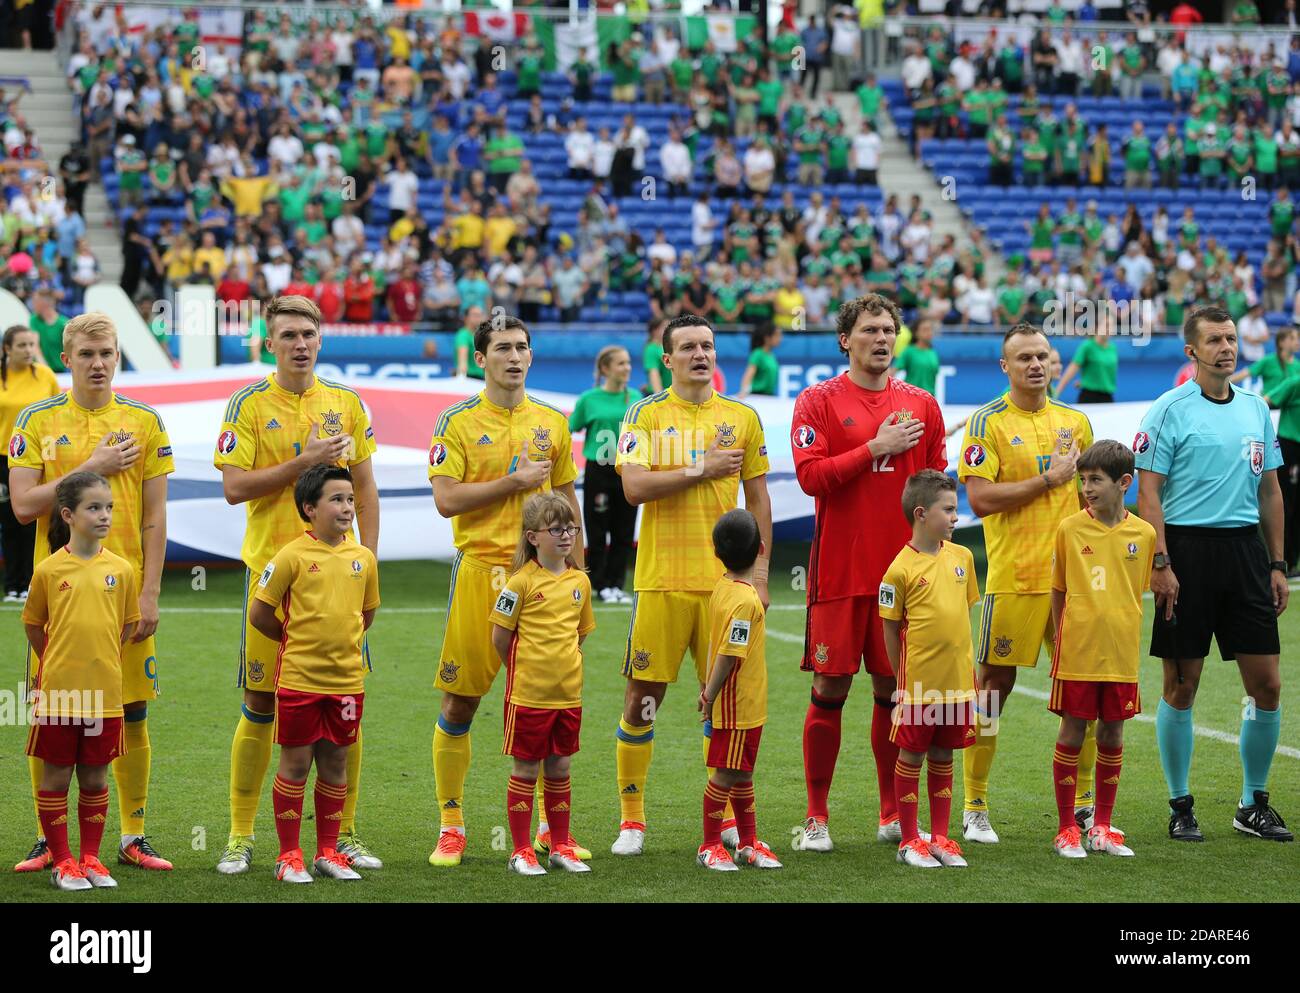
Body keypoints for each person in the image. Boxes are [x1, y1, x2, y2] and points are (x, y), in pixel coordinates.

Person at [213, 295, 380, 875]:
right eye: (288, 335)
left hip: (341, 581)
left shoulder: (346, 403)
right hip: (272, 579)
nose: (300, 344)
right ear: (269, 342)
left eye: (308, 333)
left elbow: (365, 487)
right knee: (261, 703)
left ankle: (344, 836)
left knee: (345, 705)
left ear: (320, 339)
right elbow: (234, 488)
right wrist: (302, 463)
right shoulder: (249, 405)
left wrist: (369, 563)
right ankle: (239, 836)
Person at [9, 314, 174, 875]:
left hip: (122, 598)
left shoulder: (145, 422)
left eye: (107, 352)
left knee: (130, 712)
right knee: (53, 714)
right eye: (87, 354)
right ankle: (46, 840)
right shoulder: (36, 419)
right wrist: (94, 465)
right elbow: (24, 505)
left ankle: (134, 833)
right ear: (66, 359)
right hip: (59, 599)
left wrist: (149, 592)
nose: (98, 363)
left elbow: (155, 516)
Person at [611, 314, 771, 857]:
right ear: (667, 359)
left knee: (726, 703)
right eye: (688, 347)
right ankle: (633, 819)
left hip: (726, 589)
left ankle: (724, 816)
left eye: (707, 345)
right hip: (662, 582)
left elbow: (759, 498)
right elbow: (633, 487)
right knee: (643, 698)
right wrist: (698, 470)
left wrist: (763, 574)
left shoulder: (743, 417)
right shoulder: (645, 414)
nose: (700, 354)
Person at [791, 294, 947, 853]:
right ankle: (816, 816)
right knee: (830, 686)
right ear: (845, 339)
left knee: (893, 689)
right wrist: (873, 448)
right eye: (870, 330)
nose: (881, 339)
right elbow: (811, 478)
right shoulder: (818, 401)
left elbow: (934, 487)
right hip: (839, 570)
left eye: (889, 330)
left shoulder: (923, 405)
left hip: (903, 577)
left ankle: (889, 812)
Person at [427, 315, 585, 867]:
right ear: (481, 359)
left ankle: (549, 829)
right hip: (483, 575)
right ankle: (452, 825)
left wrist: (579, 575)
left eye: (522, 348)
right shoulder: (457, 422)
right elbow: (446, 501)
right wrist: (512, 483)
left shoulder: (552, 421)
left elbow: (566, 497)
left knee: (548, 703)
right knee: (461, 701)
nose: (514, 357)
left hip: (546, 581)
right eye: (502, 348)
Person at [1136, 306, 1293, 842]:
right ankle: (1181, 804)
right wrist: (1160, 561)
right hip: (1185, 551)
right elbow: (1149, 493)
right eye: (1215, 340)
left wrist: (1276, 563)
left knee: (1267, 684)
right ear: (1192, 352)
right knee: (1183, 685)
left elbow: (1270, 489)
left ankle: (1253, 803)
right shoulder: (1166, 410)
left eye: (1231, 338)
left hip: (1245, 553)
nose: (1227, 347)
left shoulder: (1255, 406)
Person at [958, 323, 1095, 845]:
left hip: (1073, 585)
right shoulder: (986, 423)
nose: (1035, 365)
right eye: (1024, 358)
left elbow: (1090, 498)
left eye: (1042, 356)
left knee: (1082, 691)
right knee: (993, 690)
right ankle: (974, 805)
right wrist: (1046, 480)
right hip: (1014, 580)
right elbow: (979, 500)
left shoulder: (1075, 422)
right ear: (1005, 367)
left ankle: (1084, 805)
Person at [250, 464, 379, 883]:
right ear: (310, 508)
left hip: (346, 684)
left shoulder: (363, 559)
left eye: (349, 500)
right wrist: (294, 637)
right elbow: (259, 612)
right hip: (300, 681)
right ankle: (289, 855)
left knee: (336, 763)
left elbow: (366, 614)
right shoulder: (291, 555)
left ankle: (328, 852)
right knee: (296, 763)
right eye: (336, 500)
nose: (347, 508)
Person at [23, 472, 140, 891]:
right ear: (69, 515)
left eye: (108, 507)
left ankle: (91, 859)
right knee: (56, 777)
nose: (104, 515)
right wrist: (60, 663)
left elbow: (126, 627)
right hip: (60, 696)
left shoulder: (122, 570)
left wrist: (99, 661)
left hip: (105, 696)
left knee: (95, 778)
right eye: (94, 508)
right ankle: (64, 862)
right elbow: (35, 627)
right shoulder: (49, 571)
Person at [1048, 440, 1153, 859]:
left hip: (1122, 654)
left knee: (1113, 732)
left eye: (1096, 480)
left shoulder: (1143, 534)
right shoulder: (1070, 528)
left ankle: (1103, 827)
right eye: (1083, 479)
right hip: (1078, 652)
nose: (1087, 488)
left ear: (1124, 482)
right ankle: (1066, 828)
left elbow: (1134, 592)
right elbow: (1058, 590)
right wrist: (1061, 637)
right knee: (1073, 730)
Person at [490, 492, 595, 876]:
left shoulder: (579, 582)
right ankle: (520, 850)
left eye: (571, 528)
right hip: (528, 695)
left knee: (561, 767)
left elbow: (580, 634)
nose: (566, 535)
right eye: (556, 529)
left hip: (568, 695)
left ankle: (560, 844)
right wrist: (526, 670)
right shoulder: (518, 583)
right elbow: (500, 638)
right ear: (533, 537)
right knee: (526, 769)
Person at [880, 469, 979, 868]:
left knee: (943, 754)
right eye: (949, 509)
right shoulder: (899, 570)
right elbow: (890, 631)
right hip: (918, 686)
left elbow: (961, 617)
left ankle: (940, 837)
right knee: (912, 756)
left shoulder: (963, 557)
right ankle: (909, 840)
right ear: (922, 513)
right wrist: (899, 681)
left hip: (957, 684)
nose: (956, 517)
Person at [696, 507, 781, 871]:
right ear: (762, 548)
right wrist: (710, 694)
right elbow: (730, 654)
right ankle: (710, 844)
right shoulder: (746, 602)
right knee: (726, 775)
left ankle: (748, 842)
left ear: (717, 553)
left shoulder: (724, 588)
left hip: (749, 704)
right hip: (735, 703)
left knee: (743, 773)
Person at [570, 346, 641, 604]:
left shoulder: (635, 398)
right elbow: (569, 428)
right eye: (621, 363)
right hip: (598, 471)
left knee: (624, 530)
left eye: (628, 362)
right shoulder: (589, 399)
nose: (627, 368)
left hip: (628, 470)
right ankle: (598, 584)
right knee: (598, 529)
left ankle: (615, 584)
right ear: (605, 369)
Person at [0, 326, 59, 601]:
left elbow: (58, 414)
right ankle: (13, 585)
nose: (27, 351)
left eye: (31, 345)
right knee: (11, 521)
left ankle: (34, 581)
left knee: (38, 519)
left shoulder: (45, 376)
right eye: (21, 345)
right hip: (4, 457)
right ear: (7, 349)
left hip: (40, 456)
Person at [1056, 318, 1119, 402]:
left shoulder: (1113, 348)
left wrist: (1084, 381)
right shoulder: (1087, 346)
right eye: (1107, 325)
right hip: (1089, 396)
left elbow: (1105, 373)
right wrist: (1056, 393)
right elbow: (1072, 369)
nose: (1109, 329)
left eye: (1112, 326)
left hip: (1108, 397)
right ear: (1097, 327)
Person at [1231, 325, 1298, 395]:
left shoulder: (1298, 365)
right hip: (1267, 404)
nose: (1297, 342)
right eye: (1292, 338)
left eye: (1297, 338)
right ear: (1281, 342)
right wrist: (1222, 384)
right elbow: (1244, 374)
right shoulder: (1268, 361)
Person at [892, 318, 940, 397]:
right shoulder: (909, 351)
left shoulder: (933, 353)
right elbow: (893, 371)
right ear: (916, 333)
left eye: (930, 329)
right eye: (925, 330)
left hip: (930, 399)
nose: (929, 333)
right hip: (911, 398)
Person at [737, 324, 781, 399]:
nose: (779, 339)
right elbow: (748, 374)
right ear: (767, 338)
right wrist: (743, 392)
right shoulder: (758, 354)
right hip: (758, 396)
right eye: (776, 335)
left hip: (769, 396)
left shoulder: (771, 355)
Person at [453, 305, 487, 380]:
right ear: (466, 318)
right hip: (469, 377)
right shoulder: (463, 334)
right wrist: (462, 378)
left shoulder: (483, 335)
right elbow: (462, 358)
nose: (479, 318)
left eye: (480, 315)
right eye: (475, 315)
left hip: (483, 378)